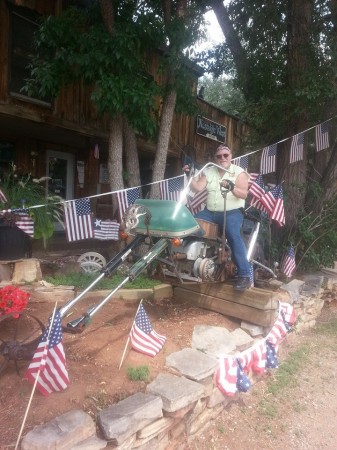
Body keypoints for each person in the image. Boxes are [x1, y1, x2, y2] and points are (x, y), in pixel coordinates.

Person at [183, 145, 251, 291]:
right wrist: (189, 175)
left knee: (233, 234)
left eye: (225, 155)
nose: (222, 158)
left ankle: (245, 275)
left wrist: (232, 187)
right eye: (219, 156)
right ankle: (183, 262)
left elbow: (244, 194)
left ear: (231, 156)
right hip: (210, 212)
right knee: (188, 225)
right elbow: (197, 188)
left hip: (232, 212)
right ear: (215, 158)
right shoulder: (209, 171)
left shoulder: (239, 172)